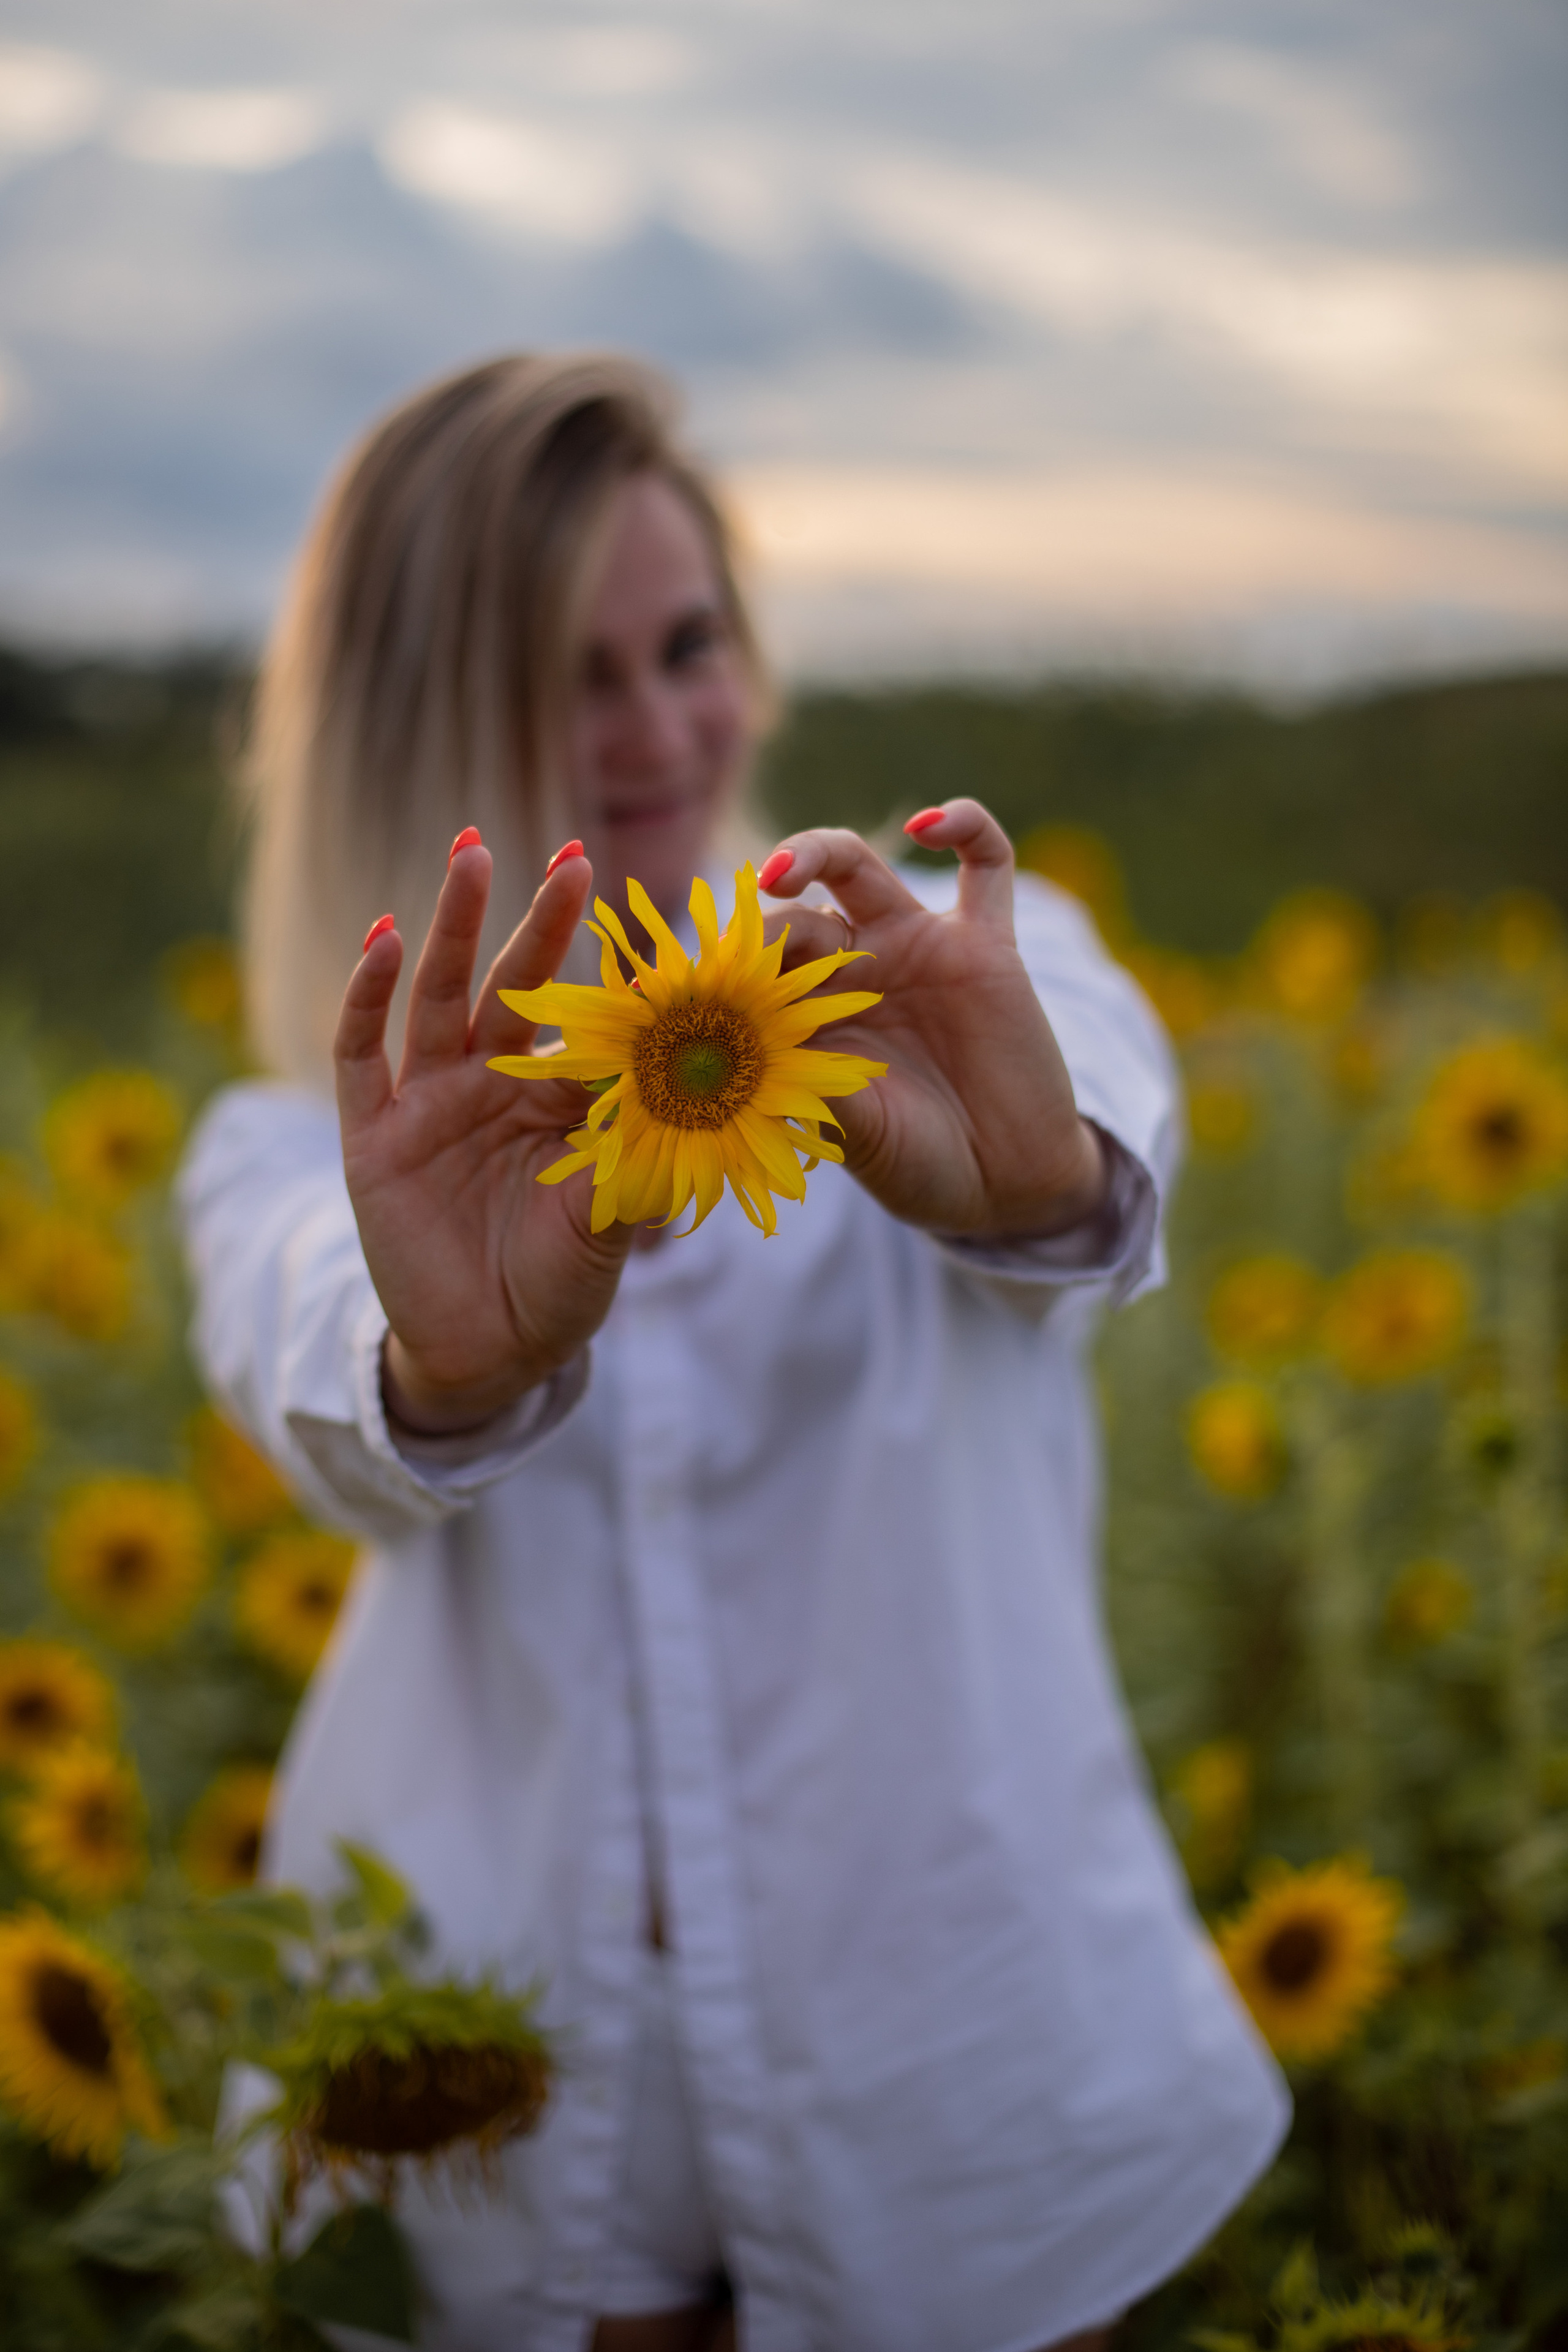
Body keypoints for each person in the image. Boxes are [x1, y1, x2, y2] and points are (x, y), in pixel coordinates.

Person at [179, 353, 1288, 2352]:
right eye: (569, 675)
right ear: (425, 724)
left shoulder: (947, 978)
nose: (661, 725)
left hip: (962, 2124)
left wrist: (1030, 1177)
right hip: (507, 2166)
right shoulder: (288, 1149)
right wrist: (441, 1357)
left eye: (690, 643)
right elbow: (313, 1352)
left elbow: (1092, 1111)